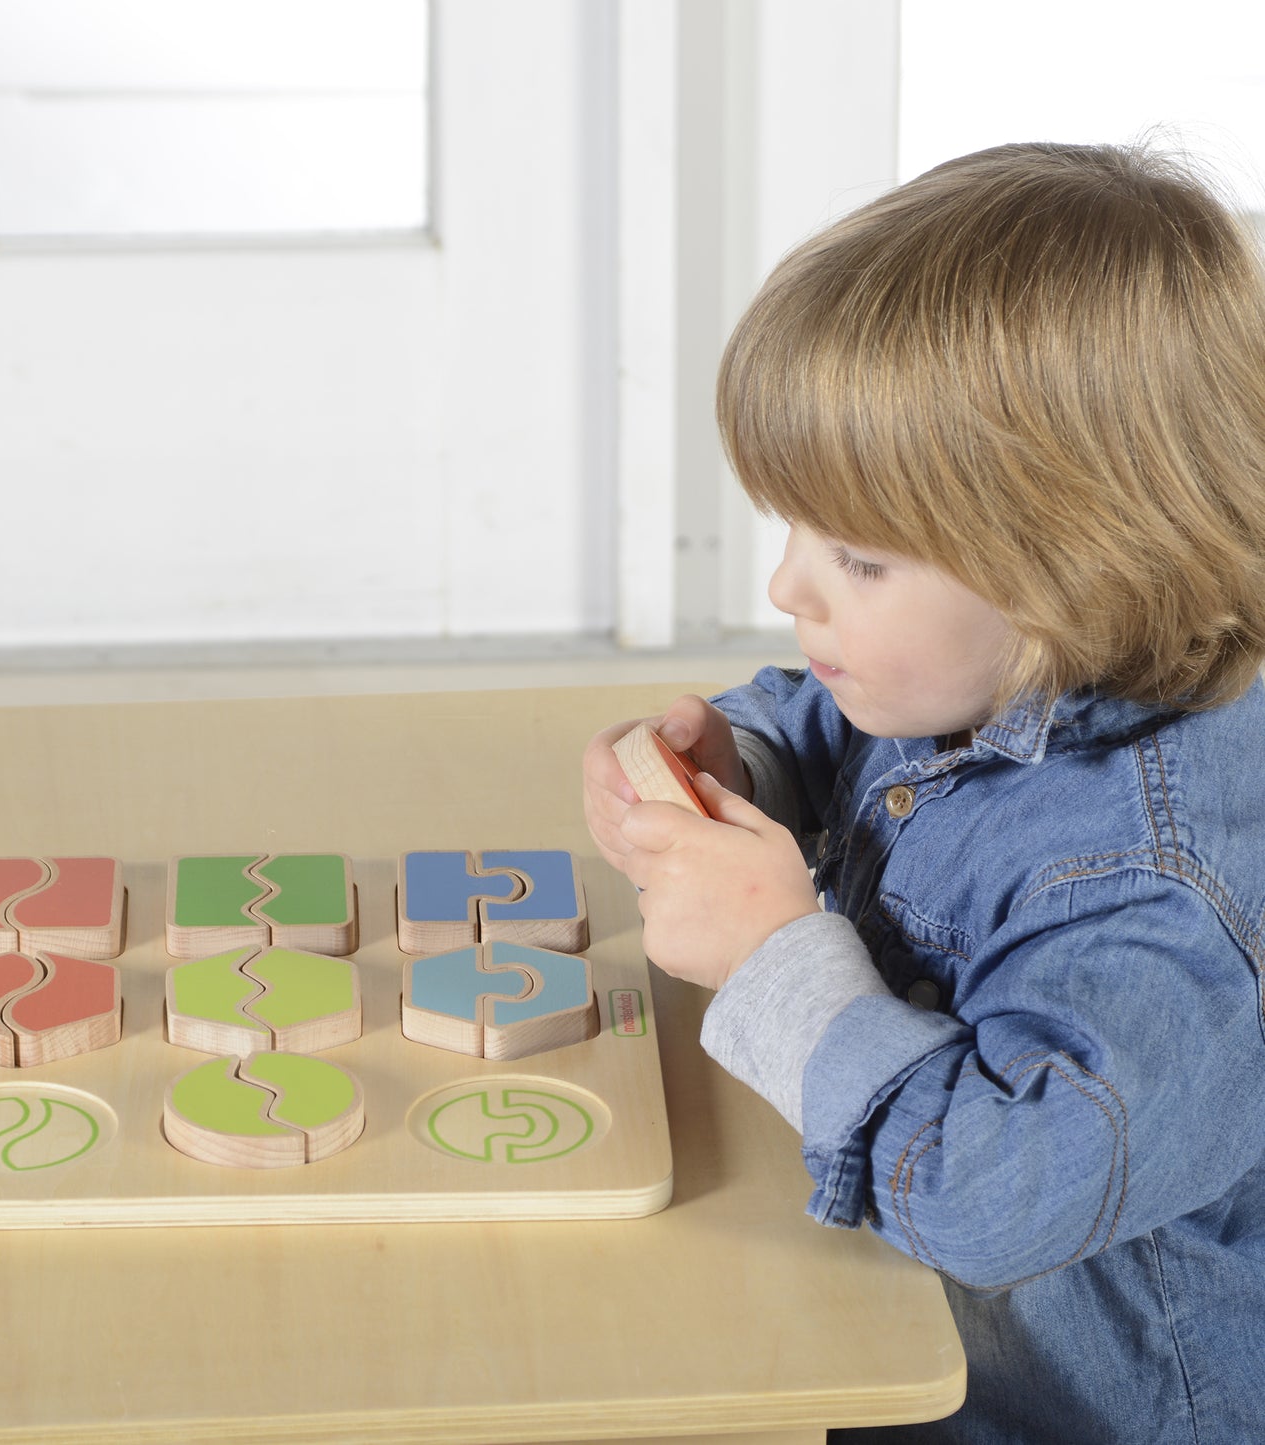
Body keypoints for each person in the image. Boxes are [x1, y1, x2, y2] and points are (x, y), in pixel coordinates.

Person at [583, 142, 1265, 1444]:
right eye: (792, 527)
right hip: (883, 1312)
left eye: (855, 557)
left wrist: (775, 960)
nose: (787, 587)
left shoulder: (1142, 891)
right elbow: (857, 735)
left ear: (1072, 572)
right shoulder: (1000, 668)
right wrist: (744, 761)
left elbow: (993, 1199)